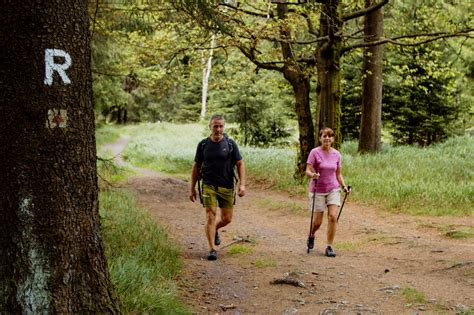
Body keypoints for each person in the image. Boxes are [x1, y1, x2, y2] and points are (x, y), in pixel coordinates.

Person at [190, 115, 246, 261]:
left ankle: (215, 230)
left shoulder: (230, 144)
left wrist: (242, 184)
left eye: (221, 126)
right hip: (208, 184)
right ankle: (212, 249)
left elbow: (240, 163)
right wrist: (192, 188)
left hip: (227, 185)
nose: (218, 129)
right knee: (210, 214)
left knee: (227, 219)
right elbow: (196, 166)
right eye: (215, 126)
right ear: (210, 127)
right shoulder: (203, 145)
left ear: (224, 127)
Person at [306, 127, 350, 257]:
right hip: (317, 189)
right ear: (320, 138)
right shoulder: (314, 152)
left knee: (332, 216)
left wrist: (344, 186)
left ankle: (329, 246)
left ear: (333, 139)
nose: (327, 138)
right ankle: (312, 234)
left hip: (333, 189)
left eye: (330, 136)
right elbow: (308, 169)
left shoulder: (337, 154)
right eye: (324, 136)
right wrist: (312, 175)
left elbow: (338, 174)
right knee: (317, 222)